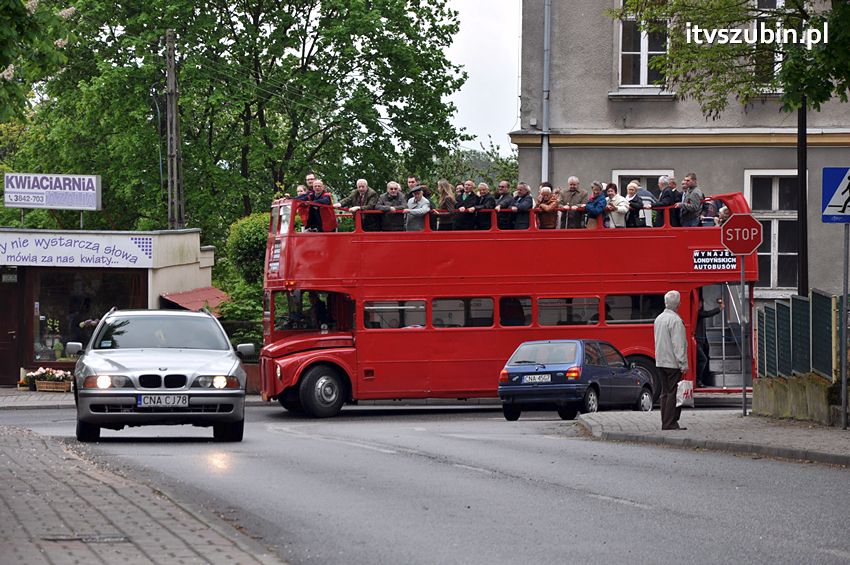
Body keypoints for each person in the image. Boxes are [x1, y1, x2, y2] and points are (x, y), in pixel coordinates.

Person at [654, 290, 689, 431]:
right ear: (678, 304)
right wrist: (683, 364)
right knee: (673, 393)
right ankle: (670, 423)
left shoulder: (658, 319)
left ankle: (665, 421)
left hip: (660, 361)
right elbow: (678, 344)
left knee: (664, 392)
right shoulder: (676, 321)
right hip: (672, 362)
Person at [696, 297, 724, 387]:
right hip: (697, 340)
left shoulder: (699, 312)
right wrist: (719, 309)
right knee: (703, 359)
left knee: (705, 358)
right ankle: (698, 380)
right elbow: (707, 314)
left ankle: (703, 379)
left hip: (701, 339)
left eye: (701, 303)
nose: (700, 305)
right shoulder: (696, 313)